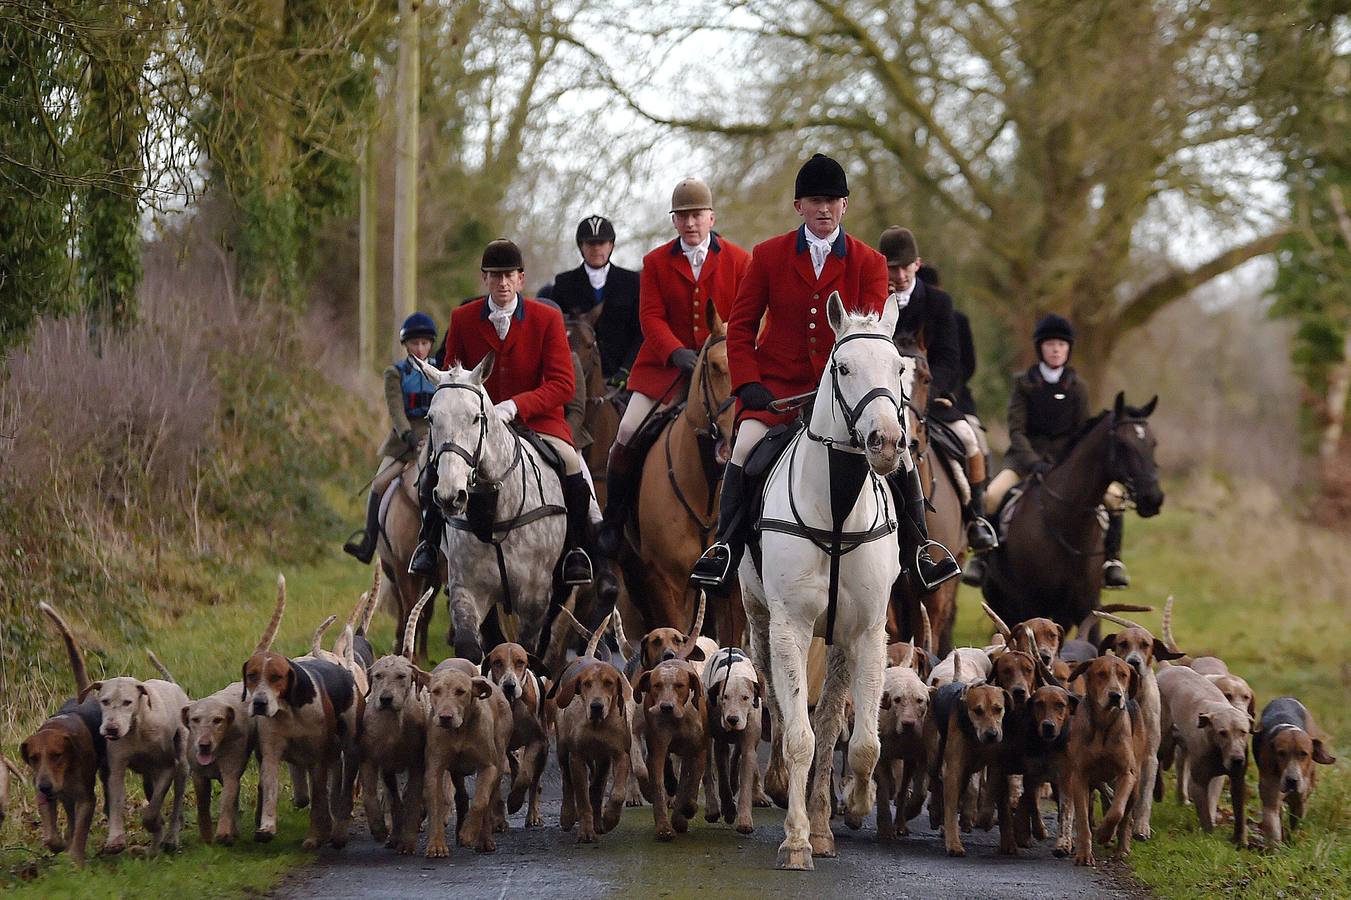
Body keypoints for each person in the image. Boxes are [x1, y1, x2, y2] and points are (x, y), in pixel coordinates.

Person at [690, 153, 959, 593]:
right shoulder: (769, 255)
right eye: (815, 200)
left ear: (844, 206)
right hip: (776, 391)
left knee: (901, 450)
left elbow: (871, 339)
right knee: (745, 446)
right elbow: (739, 327)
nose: (824, 209)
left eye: (833, 200)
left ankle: (919, 549)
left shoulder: (869, 262)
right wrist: (749, 385)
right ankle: (725, 548)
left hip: (847, 398)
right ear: (799, 206)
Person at [408, 239, 601, 587]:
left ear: (521, 279)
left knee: (572, 465)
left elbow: (562, 385)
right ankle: (428, 542)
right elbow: (453, 378)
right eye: (495, 276)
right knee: (432, 466)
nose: (502, 283)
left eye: (509, 275)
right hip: (475, 426)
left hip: (536, 422)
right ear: (484, 278)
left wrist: (515, 406)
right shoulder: (463, 318)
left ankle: (577, 551)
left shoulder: (547, 318)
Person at [597, 178, 752, 554]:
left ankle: (756, 525)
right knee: (626, 435)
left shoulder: (739, 260)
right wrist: (676, 352)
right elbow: (650, 317)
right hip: (665, 369)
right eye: (682, 217)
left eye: (697, 215)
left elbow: (747, 315)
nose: (690, 223)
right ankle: (615, 523)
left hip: (723, 371)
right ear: (674, 221)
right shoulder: (655, 262)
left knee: (755, 440)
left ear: (711, 217)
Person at [975, 313, 1130, 588]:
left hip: (1067, 463)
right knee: (992, 496)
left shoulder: (1078, 387)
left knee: (1116, 497)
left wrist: (1071, 463)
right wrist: (1033, 462)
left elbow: (1081, 432)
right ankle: (983, 559)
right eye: (1050, 344)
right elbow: (1017, 431)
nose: (1056, 349)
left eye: (1061, 344)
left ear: (1068, 349)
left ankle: (1112, 562)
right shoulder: (1023, 384)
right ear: (1040, 348)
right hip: (1025, 460)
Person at [879, 227, 997, 553]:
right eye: (892, 268)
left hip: (929, 398)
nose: (900, 275)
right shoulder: (872, 299)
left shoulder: (939, 302)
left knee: (970, 440)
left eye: (905, 267)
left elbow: (950, 359)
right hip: (883, 401)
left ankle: (976, 519)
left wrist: (927, 397)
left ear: (917, 264)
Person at [343, 312, 440, 563]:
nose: (420, 349)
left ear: (431, 344)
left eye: (424, 343)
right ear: (406, 345)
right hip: (404, 443)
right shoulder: (395, 373)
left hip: (436, 437)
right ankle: (368, 542)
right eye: (415, 344)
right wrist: (407, 434)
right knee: (378, 484)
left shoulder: (442, 370)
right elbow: (396, 409)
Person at [550, 215, 643, 382]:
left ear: (611, 245)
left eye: (602, 243)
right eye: (590, 243)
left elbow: (641, 332)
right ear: (581, 246)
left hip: (622, 376)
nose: (596, 249)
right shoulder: (564, 283)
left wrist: (627, 370)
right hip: (578, 377)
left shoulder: (632, 282)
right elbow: (556, 334)